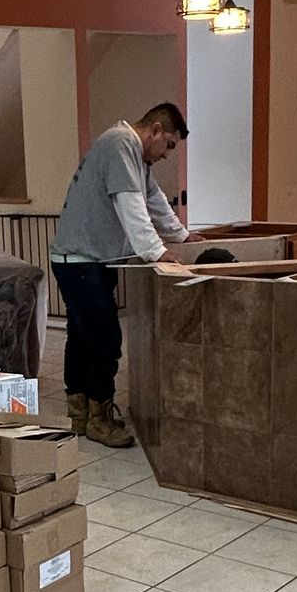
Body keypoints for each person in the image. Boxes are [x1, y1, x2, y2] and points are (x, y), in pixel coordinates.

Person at [49, 102, 191, 446]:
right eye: (169, 144)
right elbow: (131, 205)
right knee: (105, 339)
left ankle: (79, 414)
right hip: (81, 261)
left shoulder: (133, 156)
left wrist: (183, 237)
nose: (167, 154)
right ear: (154, 130)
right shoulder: (119, 144)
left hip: (84, 260)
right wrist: (157, 252)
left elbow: (153, 200)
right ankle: (99, 419)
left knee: (83, 337)